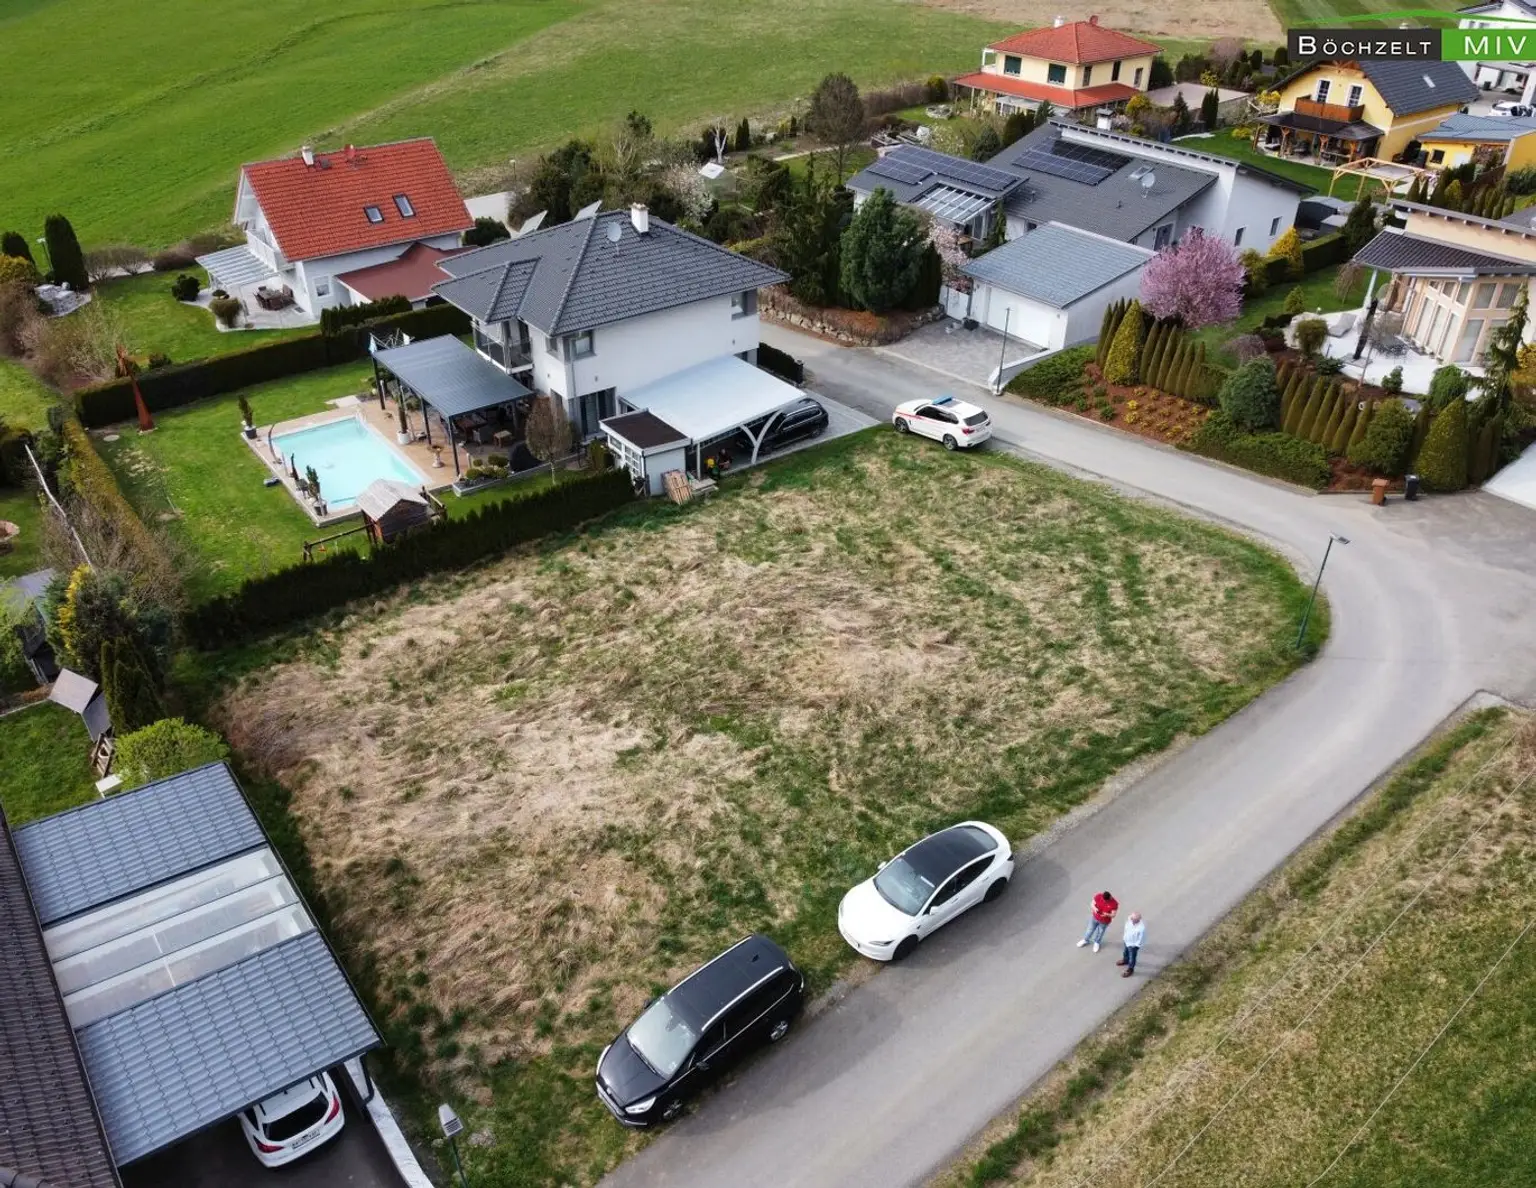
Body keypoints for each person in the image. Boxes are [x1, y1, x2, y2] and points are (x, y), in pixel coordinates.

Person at [1118, 912, 1145, 976]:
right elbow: (1126, 928)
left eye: (1132, 918)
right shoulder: (1129, 920)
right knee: (1125, 952)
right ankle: (1125, 960)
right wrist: (1124, 937)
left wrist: (1136, 946)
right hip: (1127, 941)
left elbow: (1141, 938)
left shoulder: (1141, 928)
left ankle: (1130, 969)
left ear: (1137, 920)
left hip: (1133, 945)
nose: (1131, 919)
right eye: (1131, 918)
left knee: (1132, 957)